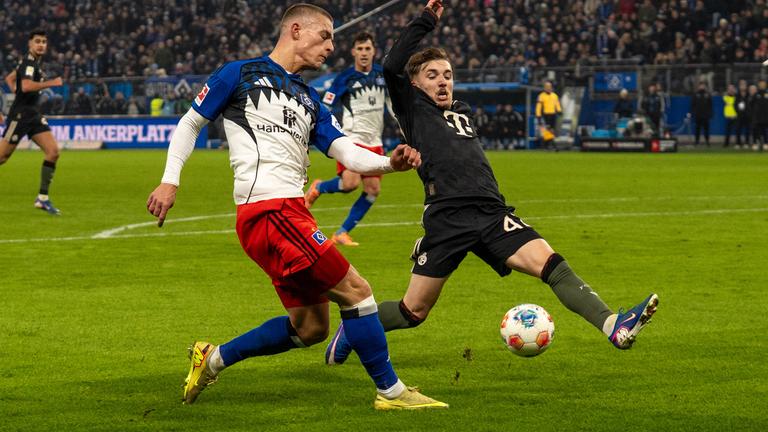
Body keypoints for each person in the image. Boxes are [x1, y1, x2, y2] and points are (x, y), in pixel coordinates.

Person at [325, 0, 659, 368]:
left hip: (491, 211)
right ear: (415, 84)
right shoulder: (412, 108)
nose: (443, 81)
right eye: (432, 75)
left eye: (448, 74)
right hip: (448, 216)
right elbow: (391, 66)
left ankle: (613, 324)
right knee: (413, 311)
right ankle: (353, 330)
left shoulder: (462, 111)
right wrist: (426, 20)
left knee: (552, 264)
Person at [146, 3, 447, 410]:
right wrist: (170, 179)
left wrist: (388, 164)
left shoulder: (310, 99)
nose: (331, 47)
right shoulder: (240, 73)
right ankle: (391, 392)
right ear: (295, 30)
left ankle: (212, 359)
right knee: (357, 292)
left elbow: (347, 151)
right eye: (325, 37)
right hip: (270, 210)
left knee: (310, 328)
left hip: (288, 215)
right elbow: (190, 122)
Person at [303, 31, 391, 247]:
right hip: (352, 138)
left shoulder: (382, 75)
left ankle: (342, 233)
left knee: (372, 190)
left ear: (374, 51)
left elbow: (392, 103)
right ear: (353, 52)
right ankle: (319, 187)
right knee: (350, 183)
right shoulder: (344, 78)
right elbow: (326, 104)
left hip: (375, 141)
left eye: (367, 49)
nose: (364, 53)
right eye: (360, 49)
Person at [0, 29, 64, 215]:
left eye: (44, 41)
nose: (41, 45)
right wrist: (51, 83)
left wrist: (16, 92)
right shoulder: (29, 62)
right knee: (2, 157)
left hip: (33, 115)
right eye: (37, 41)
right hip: (20, 116)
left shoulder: (33, 63)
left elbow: (10, 78)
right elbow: (27, 86)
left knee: (53, 152)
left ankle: (42, 199)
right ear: (30, 44)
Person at [535, 80, 561, 148]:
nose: (548, 88)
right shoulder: (541, 96)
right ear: (544, 87)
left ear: (551, 87)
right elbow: (538, 107)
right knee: (547, 129)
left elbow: (557, 104)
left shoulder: (554, 95)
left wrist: (559, 111)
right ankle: (550, 144)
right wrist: (538, 115)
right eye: (546, 86)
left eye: (549, 86)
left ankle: (548, 144)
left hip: (553, 114)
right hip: (545, 115)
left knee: (552, 130)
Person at [691, 81, 712, 147]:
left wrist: (710, 114)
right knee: (697, 129)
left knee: (706, 130)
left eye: (703, 86)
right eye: (701, 86)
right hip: (698, 115)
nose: (702, 87)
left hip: (705, 116)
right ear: (698, 86)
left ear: (705, 87)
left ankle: (707, 142)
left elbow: (710, 105)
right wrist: (693, 113)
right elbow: (693, 105)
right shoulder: (696, 94)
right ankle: (696, 142)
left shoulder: (707, 94)